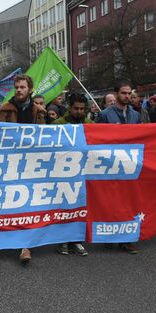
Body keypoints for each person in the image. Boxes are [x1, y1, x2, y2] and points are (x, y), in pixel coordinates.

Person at [0, 74, 45, 263]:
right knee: (13, 201)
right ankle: (14, 238)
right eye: (16, 87)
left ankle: (26, 245)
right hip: (11, 163)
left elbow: (44, 137)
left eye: (22, 87)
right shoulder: (6, 110)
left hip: (32, 163)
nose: (18, 90)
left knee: (30, 202)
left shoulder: (38, 111)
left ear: (30, 90)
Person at [96, 81, 141, 254]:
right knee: (110, 201)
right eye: (123, 93)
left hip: (130, 164)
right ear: (116, 94)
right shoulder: (105, 114)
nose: (127, 96)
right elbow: (98, 140)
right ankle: (109, 235)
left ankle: (127, 239)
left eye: (129, 93)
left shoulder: (135, 115)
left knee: (128, 202)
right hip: (111, 164)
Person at [52, 92, 93, 257]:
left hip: (83, 173)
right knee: (63, 206)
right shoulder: (57, 124)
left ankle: (76, 240)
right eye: (76, 108)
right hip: (61, 172)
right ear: (69, 108)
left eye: (82, 109)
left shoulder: (91, 125)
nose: (79, 112)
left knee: (80, 207)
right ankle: (63, 238)